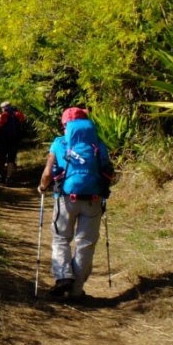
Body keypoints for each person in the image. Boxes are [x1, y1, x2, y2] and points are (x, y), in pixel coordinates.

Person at [37, 107, 113, 300]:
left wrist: (42, 187)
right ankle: (76, 291)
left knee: (61, 238)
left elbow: (47, 173)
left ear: (65, 125)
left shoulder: (59, 143)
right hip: (93, 200)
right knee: (85, 244)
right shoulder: (98, 143)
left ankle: (63, 277)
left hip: (65, 199)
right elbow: (107, 171)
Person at [0, 101, 26, 184]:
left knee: (2, 158)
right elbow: (23, 121)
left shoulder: (1, 116)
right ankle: (8, 178)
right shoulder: (18, 114)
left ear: (3, 108)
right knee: (11, 159)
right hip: (14, 140)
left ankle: (1, 176)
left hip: (3, 140)